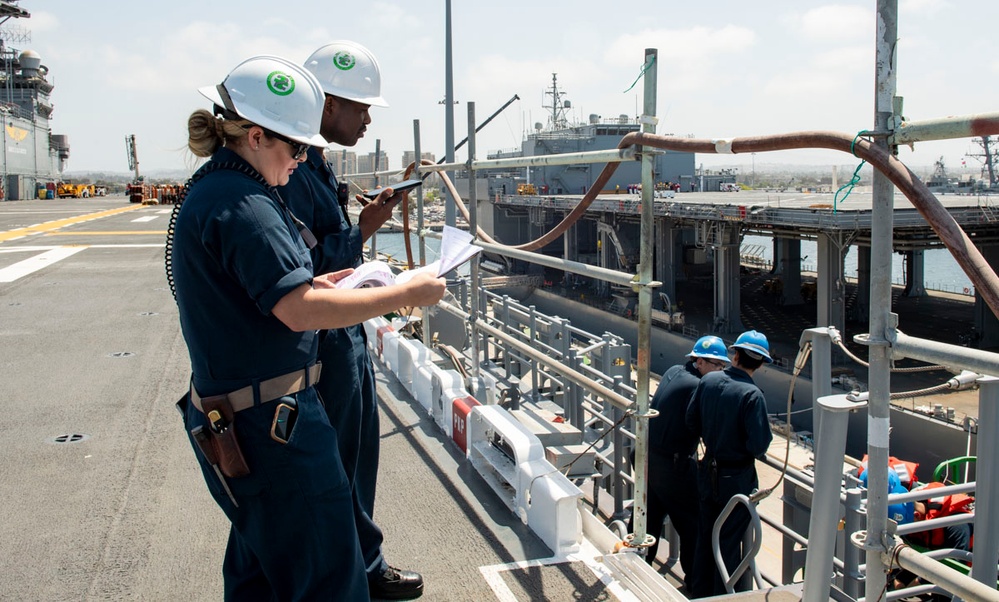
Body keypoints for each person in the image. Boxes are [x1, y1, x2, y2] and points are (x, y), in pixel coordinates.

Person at [170, 55, 446, 600]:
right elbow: (296, 310)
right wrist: (408, 294)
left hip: (240, 415)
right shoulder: (245, 203)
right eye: (295, 147)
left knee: (262, 577)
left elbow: (271, 292)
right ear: (254, 137)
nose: (301, 159)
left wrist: (324, 284)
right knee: (330, 580)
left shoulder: (220, 190)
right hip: (273, 426)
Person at [277, 40, 424, 601]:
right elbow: (311, 265)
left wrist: (366, 221)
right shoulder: (292, 172)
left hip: (344, 334)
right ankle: (349, 575)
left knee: (359, 454)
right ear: (326, 103)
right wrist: (363, 228)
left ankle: (363, 561)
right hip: (325, 336)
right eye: (360, 108)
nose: (366, 120)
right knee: (336, 462)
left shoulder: (311, 164)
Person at [635, 336, 730, 590]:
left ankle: (636, 566)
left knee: (648, 517)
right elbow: (699, 424)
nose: (721, 372)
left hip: (648, 456)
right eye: (717, 365)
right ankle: (696, 584)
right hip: (672, 465)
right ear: (699, 361)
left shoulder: (674, 371)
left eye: (723, 367)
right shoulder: (699, 386)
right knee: (692, 524)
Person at [685, 330, 774, 597]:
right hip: (736, 480)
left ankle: (697, 591)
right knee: (728, 542)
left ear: (734, 354)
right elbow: (759, 446)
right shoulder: (753, 396)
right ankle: (723, 595)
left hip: (707, 469)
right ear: (760, 364)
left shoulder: (709, 381)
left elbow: (691, 422)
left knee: (705, 535)